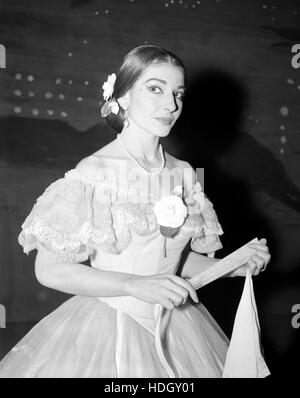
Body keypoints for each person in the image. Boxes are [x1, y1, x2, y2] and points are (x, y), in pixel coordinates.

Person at [0, 45, 271, 378]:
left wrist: (233, 265)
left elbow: (173, 262)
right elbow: (50, 270)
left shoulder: (184, 172)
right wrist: (133, 285)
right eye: (155, 89)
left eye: (178, 94)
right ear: (124, 96)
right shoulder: (95, 169)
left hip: (177, 328)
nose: (171, 105)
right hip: (111, 325)